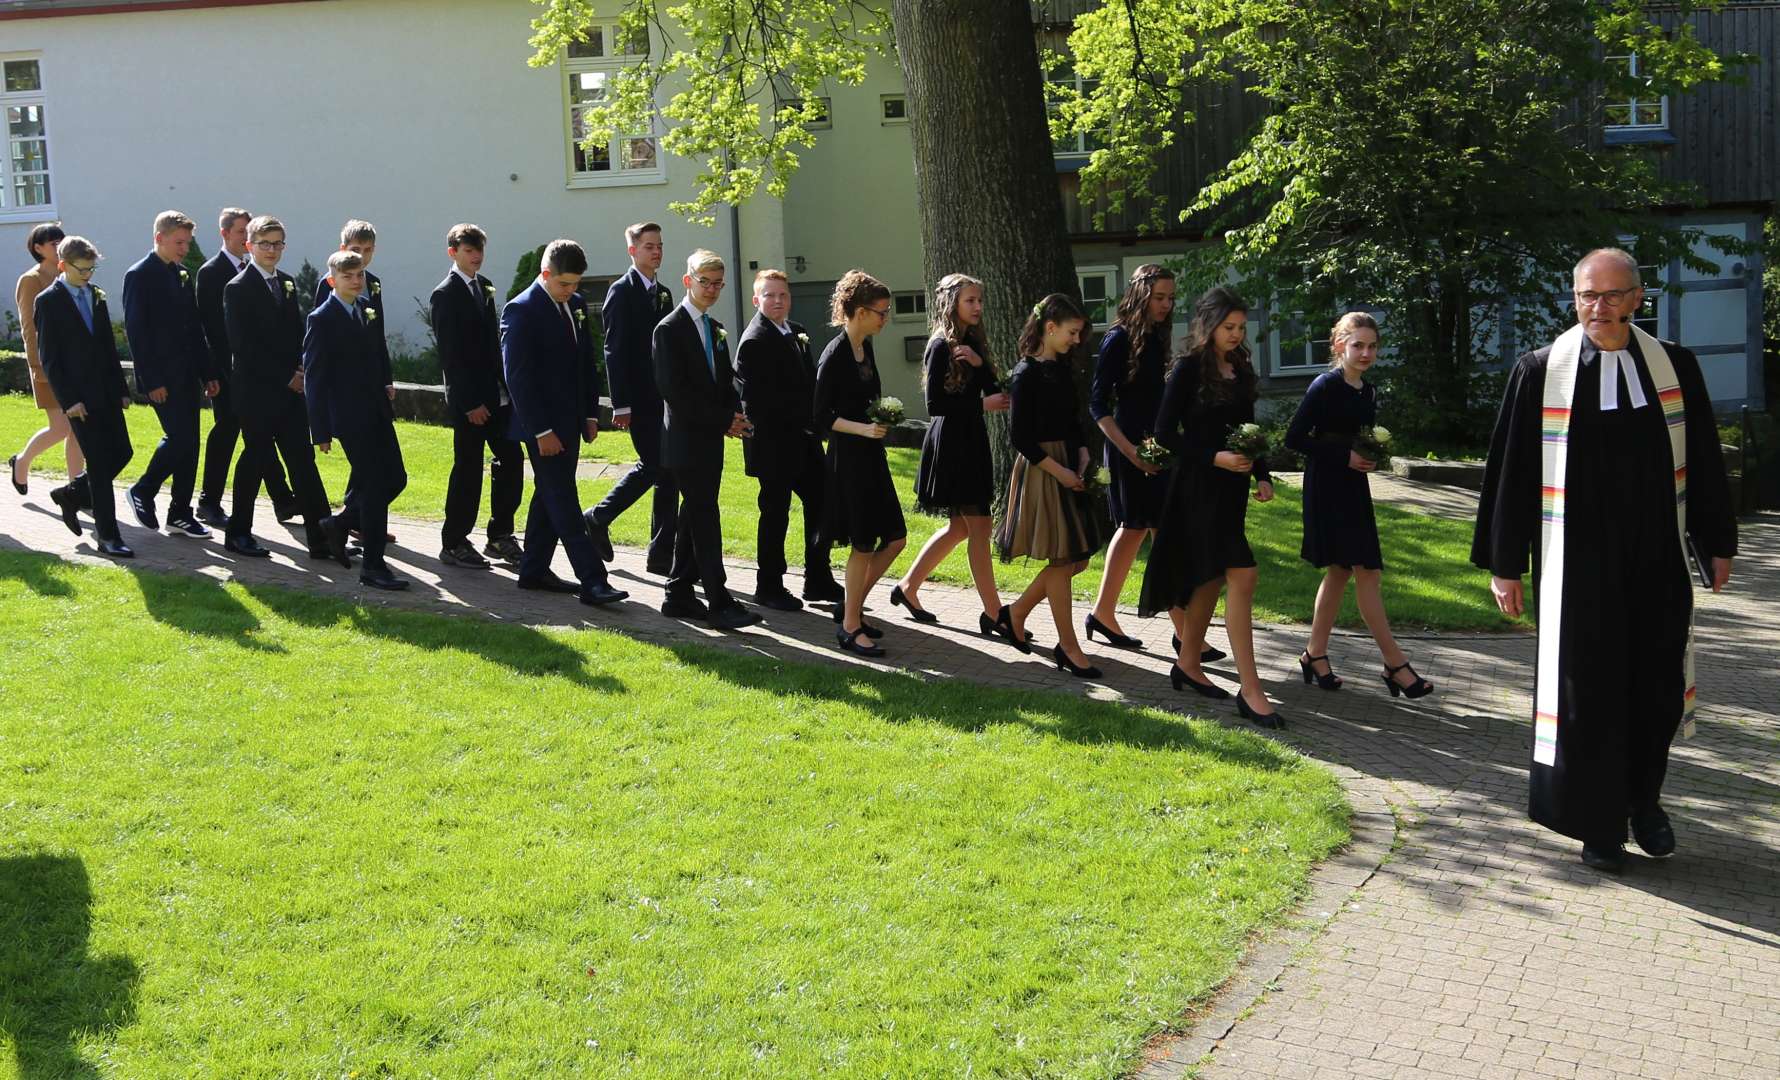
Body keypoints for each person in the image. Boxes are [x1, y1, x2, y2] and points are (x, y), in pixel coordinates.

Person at [1473, 247, 1737, 874]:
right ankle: (1601, 824)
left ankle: (1644, 802)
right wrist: (1505, 563)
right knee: (1589, 695)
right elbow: (1512, 472)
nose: (1599, 306)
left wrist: (1716, 541)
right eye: (1588, 295)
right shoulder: (1541, 371)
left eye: (1612, 294)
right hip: (1578, 565)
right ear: (1575, 299)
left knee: (1657, 688)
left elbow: (1702, 455)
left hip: (1657, 555)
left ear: (1637, 299)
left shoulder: (1674, 366)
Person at [1139, 287, 1284, 728]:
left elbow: (1248, 429)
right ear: (1207, 325)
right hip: (1197, 487)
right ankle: (1251, 689)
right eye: (1228, 327)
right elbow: (1165, 433)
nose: (1236, 334)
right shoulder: (1188, 368)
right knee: (1243, 572)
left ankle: (1188, 663)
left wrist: (1262, 474)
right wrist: (1214, 457)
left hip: (1233, 490)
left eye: (1240, 327)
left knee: (1212, 576)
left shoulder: (1241, 367)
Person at [1284, 312, 1431, 699]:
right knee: (1367, 571)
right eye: (1358, 345)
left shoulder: (1369, 391)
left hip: (1354, 486)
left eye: (1372, 346)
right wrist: (1344, 455)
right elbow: (1294, 438)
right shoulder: (1324, 385)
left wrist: (1369, 454)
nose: (1366, 353)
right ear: (1339, 346)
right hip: (1327, 486)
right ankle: (1395, 664)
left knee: (1342, 571)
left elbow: (1357, 436)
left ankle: (1314, 654)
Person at [500, 239, 627, 608]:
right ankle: (593, 580)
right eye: (564, 284)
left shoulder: (575, 305)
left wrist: (589, 414)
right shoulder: (520, 310)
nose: (571, 291)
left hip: (571, 421)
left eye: (576, 284)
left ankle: (533, 570)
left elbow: (585, 363)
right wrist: (541, 431)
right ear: (545, 274)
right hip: (542, 426)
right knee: (564, 500)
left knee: (549, 495)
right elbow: (518, 378)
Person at [889, 273, 1012, 633]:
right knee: (979, 526)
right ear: (952, 303)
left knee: (960, 528)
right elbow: (935, 405)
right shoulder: (940, 345)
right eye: (970, 300)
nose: (977, 306)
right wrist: (980, 405)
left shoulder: (972, 342)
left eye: (979, 300)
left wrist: (978, 363)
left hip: (972, 440)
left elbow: (996, 391)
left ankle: (908, 587)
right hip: (952, 443)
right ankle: (994, 612)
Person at [1085, 264, 1196, 656]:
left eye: (1170, 298)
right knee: (1146, 530)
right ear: (1140, 295)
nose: (1166, 305)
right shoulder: (1118, 338)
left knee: (1138, 531)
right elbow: (1097, 405)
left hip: (1155, 446)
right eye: (1158, 297)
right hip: (1128, 448)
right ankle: (1185, 633)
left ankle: (1104, 614)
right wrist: (1131, 453)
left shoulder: (1155, 335)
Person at [994, 294, 1104, 679]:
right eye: (1072, 332)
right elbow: (1020, 438)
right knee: (1063, 559)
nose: (1077, 340)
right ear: (1050, 327)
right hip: (1044, 469)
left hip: (1068, 464)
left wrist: (1083, 455)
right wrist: (1061, 472)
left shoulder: (1062, 369)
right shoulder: (1025, 374)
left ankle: (1016, 613)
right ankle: (1068, 646)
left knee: (1078, 558)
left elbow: (1073, 421)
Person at [652, 250, 761, 630]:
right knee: (705, 519)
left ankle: (678, 594)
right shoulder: (668, 329)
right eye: (705, 282)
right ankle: (719, 599)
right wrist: (722, 419)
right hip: (684, 442)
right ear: (688, 281)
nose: (712, 290)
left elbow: (724, 380)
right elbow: (674, 392)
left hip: (710, 439)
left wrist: (734, 414)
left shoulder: (715, 328)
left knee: (693, 515)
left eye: (718, 284)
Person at [220, 215, 334, 560]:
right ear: (249, 246)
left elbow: (295, 332)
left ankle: (322, 537)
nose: (271, 250)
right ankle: (238, 533)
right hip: (256, 392)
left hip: (290, 393)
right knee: (255, 460)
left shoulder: (286, 282)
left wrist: (302, 368)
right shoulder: (237, 288)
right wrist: (286, 375)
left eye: (277, 243)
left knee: (303, 461)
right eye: (264, 243)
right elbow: (243, 346)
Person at [732, 268, 843, 610]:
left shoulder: (796, 332)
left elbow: (809, 383)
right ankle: (768, 585)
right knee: (775, 513)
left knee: (821, 501)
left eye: (782, 295)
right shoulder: (754, 341)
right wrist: (803, 421)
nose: (777, 301)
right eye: (769, 295)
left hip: (805, 441)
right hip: (773, 444)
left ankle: (817, 576)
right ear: (756, 300)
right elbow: (759, 402)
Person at [813, 270, 906, 657]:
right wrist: (863, 429)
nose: (885, 318)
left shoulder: (866, 347)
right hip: (849, 459)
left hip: (871, 455)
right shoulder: (834, 354)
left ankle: (850, 608)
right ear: (859, 311)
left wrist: (881, 418)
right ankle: (850, 627)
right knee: (863, 544)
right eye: (881, 312)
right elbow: (820, 417)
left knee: (896, 538)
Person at [303, 251, 407, 590]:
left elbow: (377, 353)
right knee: (375, 487)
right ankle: (373, 567)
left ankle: (339, 523)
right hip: (349, 417)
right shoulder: (322, 318)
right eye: (347, 276)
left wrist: (385, 385)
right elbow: (315, 377)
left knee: (396, 478)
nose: (356, 281)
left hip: (377, 411)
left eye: (359, 275)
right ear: (332, 281)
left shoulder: (366, 309)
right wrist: (320, 429)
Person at [586, 221, 678, 574]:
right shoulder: (621, 291)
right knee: (653, 465)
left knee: (669, 473)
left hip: (663, 399)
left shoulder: (664, 293)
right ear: (632, 251)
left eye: (660, 246)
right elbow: (614, 350)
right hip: (638, 400)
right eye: (649, 246)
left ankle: (661, 554)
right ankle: (598, 516)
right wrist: (620, 403)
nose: (656, 252)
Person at [34, 236, 134, 558]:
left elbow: (107, 347)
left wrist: (121, 389)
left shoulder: (96, 295)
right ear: (63, 265)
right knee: (101, 466)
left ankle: (73, 493)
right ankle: (108, 536)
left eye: (92, 269)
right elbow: (50, 358)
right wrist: (69, 400)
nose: (88, 275)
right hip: (78, 399)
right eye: (82, 270)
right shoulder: (48, 301)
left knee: (123, 452)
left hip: (106, 392)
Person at [121, 210, 219, 539]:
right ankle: (143, 490)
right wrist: (152, 381)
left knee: (191, 445)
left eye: (187, 242)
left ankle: (180, 513)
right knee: (180, 438)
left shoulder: (182, 274)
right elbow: (137, 332)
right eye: (179, 242)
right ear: (159, 238)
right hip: (161, 377)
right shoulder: (139, 275)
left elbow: (194, 328)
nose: (184, 249)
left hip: (188, 374)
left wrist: (207, 372)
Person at [197, 207, 296, 528]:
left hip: (260, 374)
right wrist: (214, 372)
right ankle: (209, 500)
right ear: (225, 233)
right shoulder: (212, 272)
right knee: (228, 434)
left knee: (260, 439)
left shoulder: (273, 276)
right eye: (241, 232)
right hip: (229, 371)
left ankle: (282, 498)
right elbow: (211, 328)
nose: (245, 238)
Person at [433, 223, 524, 569]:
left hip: (495, 396)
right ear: (453, 253)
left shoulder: (484, 287)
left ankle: (500, 535)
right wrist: (470, 403)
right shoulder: (445, 293)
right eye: (469, 251)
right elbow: (451, 355)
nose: (476, 257)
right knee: (468, 470)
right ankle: (454, 541)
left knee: (512, 460)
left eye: (479, 250)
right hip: (469, 401)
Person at [10, 222, 86, 501]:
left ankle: (77, 488)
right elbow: (29, 328)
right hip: (47, 365)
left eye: (61, 241)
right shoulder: (31, 280)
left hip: (75, 365)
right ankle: (22, 461)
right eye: (53, 243)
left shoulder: (70, 276)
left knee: (78, 427)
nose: (59, 247)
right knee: (61, 427)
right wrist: (37, 366)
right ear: (38, 248)